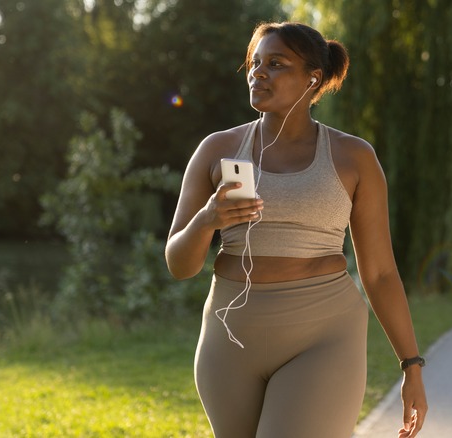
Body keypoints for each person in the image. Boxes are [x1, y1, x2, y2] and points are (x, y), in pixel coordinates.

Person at [165, 21, 428, 438]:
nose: (258, 73)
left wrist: (411, 366)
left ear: (313, 78)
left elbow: (379, 273)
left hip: (322, 337)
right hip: (229, 338)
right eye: (255, 63)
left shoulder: (353, 157)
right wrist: (207, 220)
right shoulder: (216, 149)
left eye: (276, 63)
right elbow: (179, 265)